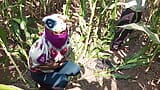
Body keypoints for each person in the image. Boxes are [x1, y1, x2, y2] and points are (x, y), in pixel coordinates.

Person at [28, 14, 80, 90]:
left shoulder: (66, 41)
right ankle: (45, 86)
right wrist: (52, 66)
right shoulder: (38, 50)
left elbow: (65, 56)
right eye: (56, 33)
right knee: (62, 80)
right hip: (41, 73)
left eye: (62, 32)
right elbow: (34, 67)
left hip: (57, 65)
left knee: (75, 69)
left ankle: (52, 82)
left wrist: (58, 64)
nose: (59, 36)